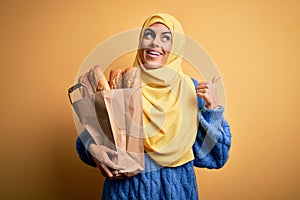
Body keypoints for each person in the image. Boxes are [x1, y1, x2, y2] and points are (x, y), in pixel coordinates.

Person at [75, 13, 232, 200]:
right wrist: (92, 149)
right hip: (126, 192)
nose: (154, 43)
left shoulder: (192, 90)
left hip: (176, 191)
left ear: (176, 47)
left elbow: (216, 157)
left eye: (166, 38)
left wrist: (213, 108)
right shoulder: (122, 83)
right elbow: (95, 132)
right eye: (148, 35)